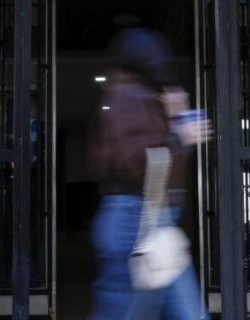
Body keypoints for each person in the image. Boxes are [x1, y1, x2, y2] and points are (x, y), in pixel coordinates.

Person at [87, 28, 210, 320]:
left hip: (152, 220)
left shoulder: (140, 97)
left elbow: (160, 162)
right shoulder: (129, 96)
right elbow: (134, 162)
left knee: (186, 313)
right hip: (135, 220)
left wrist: (176, 121)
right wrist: (179, 135)